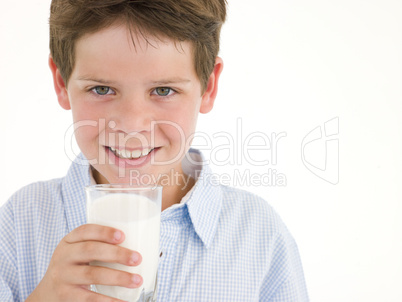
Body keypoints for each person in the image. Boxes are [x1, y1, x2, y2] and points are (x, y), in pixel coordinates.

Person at [0, 0, 309, 301]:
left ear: (208, 86)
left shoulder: (260, 236)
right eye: (102, 89)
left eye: (163, 91)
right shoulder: (19, 224)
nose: (133, 126)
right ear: (61, 82)